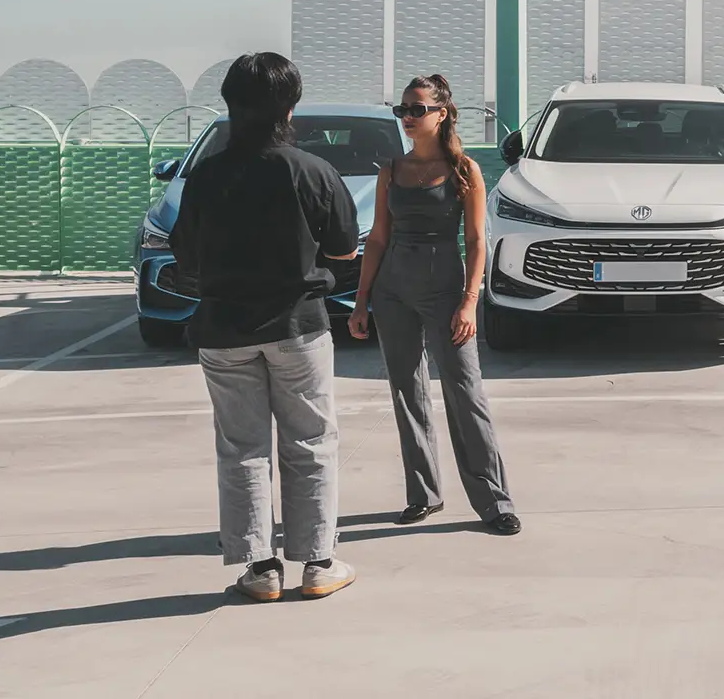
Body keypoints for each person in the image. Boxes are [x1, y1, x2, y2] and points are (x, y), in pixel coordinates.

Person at [171, 52, 360, 601]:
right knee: (311, 442)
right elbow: (346, 249)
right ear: (291, 107)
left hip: (224, 330)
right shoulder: (311, 171)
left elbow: (184, 257)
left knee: (241, 449)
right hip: (298, 327)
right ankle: (319, 563)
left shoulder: (206, 175)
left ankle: (260, 570)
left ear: (230, 104)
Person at [348, 73, 520, 534]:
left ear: (441, 114)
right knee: (407, 392)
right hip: (393, 292)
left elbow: (479, 242)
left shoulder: (465, 170)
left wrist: (469, 303)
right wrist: (361, 302)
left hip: (446, 291)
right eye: (402, 109)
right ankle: (423, 493)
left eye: (417, 109)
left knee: (466, 393)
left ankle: (494, 501)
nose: (407, 117)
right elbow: (378, 239)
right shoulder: (391, 170)